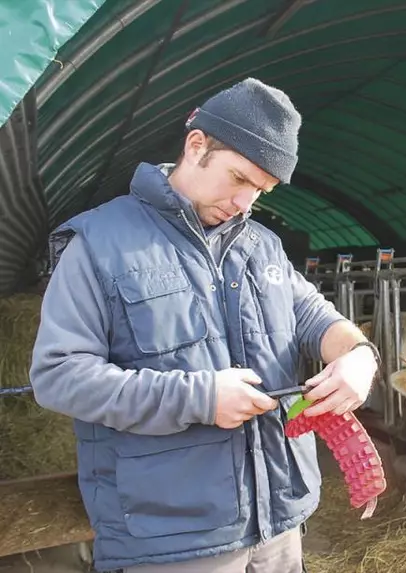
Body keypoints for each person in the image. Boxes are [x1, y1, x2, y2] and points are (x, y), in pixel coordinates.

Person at [28, 77, 380, 573]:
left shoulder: (262, 246)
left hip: (279, 522)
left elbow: (315, 316)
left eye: (261, 190)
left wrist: (359, 356)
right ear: (197, 146)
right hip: (172, 537)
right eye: (239, 178)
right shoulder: (100, 243)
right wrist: (200, 398)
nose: (245, 203)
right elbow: (59, 376)